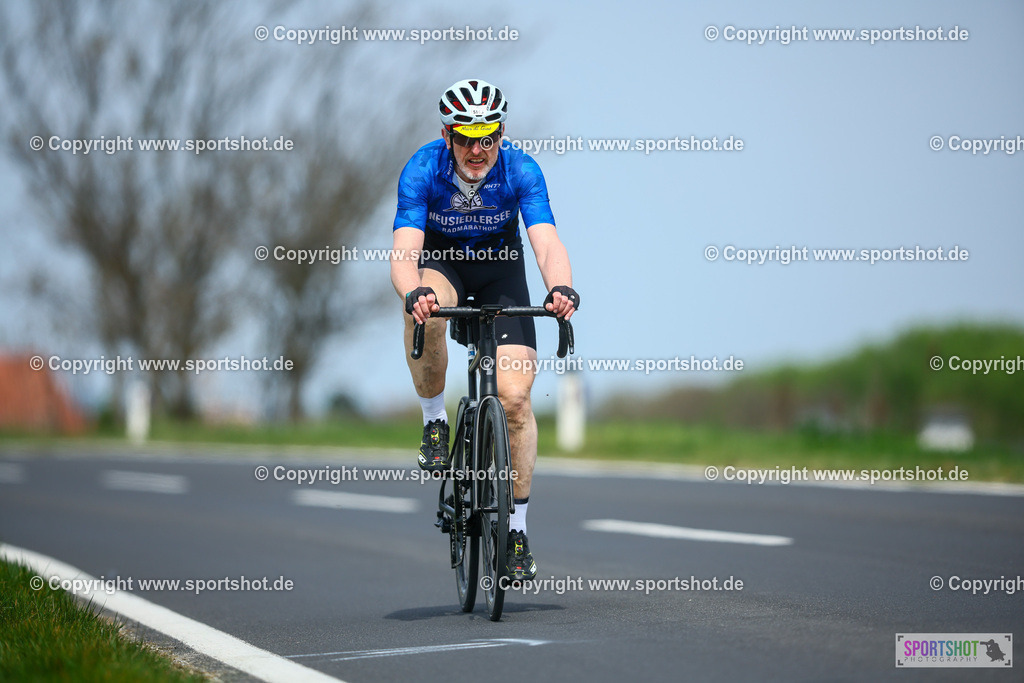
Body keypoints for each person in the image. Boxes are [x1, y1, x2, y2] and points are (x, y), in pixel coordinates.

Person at [390, 78, 579, 580]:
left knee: (515, 400)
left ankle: (515, 530)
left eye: (489, 135)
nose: (479, 149)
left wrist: (561, 288)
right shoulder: (423, 168)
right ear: (447, 134)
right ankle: (435, 419)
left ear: (501, 133)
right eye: (467, 137)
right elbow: (404, 254)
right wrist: (414, 292)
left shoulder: (520, 169)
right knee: (425, 311)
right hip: (443, 265)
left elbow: (546, 242)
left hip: (501, 269)